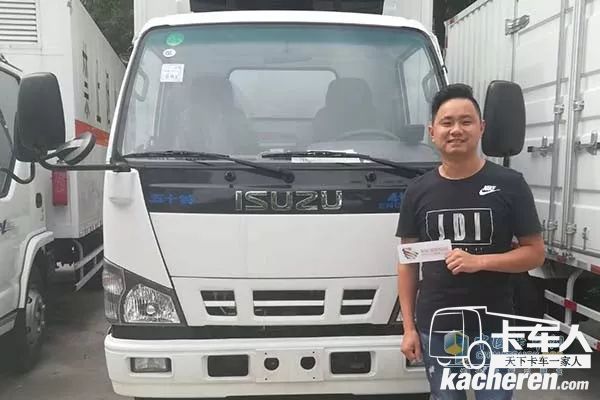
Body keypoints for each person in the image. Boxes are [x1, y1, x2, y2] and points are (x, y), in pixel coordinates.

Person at [395, 84, 545, 400]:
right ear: (432, 131)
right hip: (439, 326)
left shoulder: (510, 184)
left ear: (481, 128)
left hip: (494, 327)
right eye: (447, 122)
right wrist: (408, 328)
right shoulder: (418, 191)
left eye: (466, 121)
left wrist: (480, 261)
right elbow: (407, 262)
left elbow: (535, 254)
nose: (456, 130)